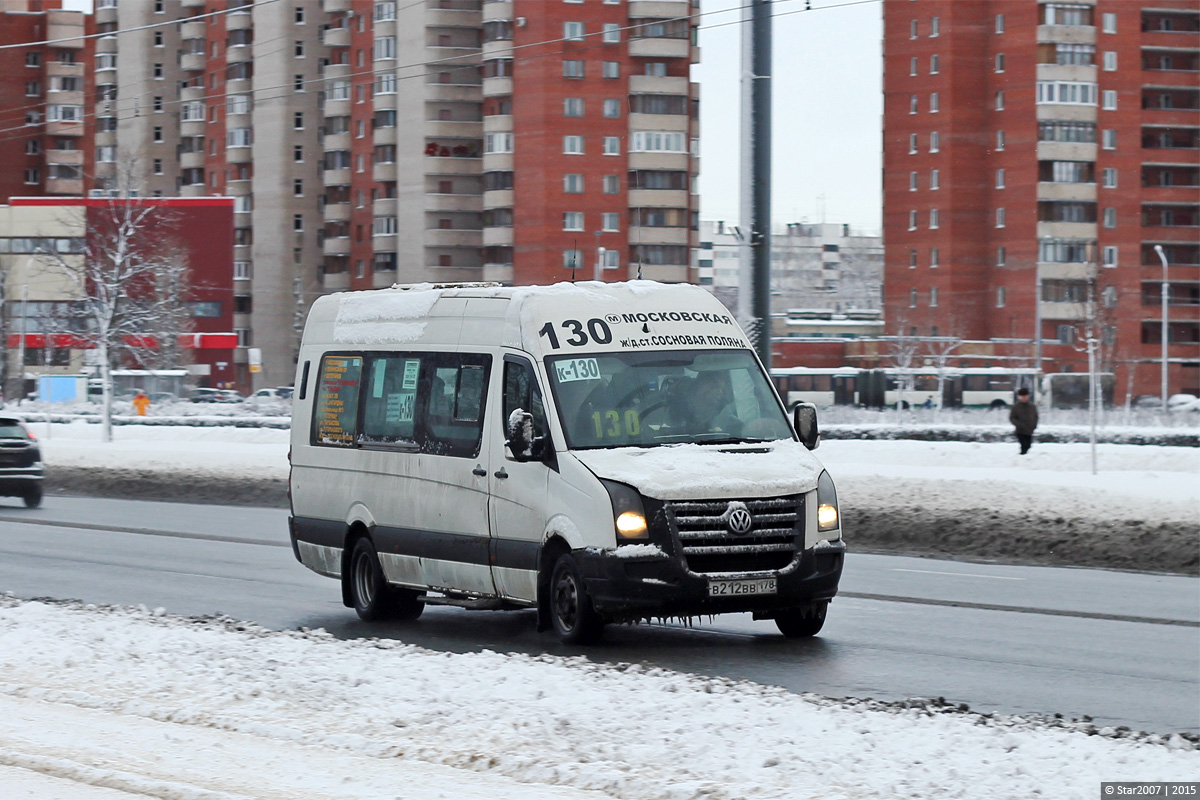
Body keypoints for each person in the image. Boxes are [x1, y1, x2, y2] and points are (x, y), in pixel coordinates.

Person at [1009, 387, 1038, 455]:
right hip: (1020, 430)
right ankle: (1021, 458)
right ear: (1019, 397)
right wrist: (1019, 424)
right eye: (1022, 396)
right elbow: (1012, 418)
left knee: (1028, 446)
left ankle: (1024, 458)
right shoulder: (1016, 407)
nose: (1024, 398)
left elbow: (1035, 417)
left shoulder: (1032, 406)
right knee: (1024, 446)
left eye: (1025, 396)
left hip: (1029, 430)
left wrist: (1034, 425)